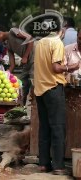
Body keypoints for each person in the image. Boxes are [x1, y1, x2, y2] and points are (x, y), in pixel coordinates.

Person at [34, 18, 79, 175]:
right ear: (63, 30)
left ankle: (43, 164)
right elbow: (56, 67)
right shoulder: (57, 43)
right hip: (53, 88)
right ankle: (59, 166)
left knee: (44, 127)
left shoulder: (39, 43)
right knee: (58, 127)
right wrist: (71, 66)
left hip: (40, 90)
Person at [0, 27, 34, 106]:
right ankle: (21, 107)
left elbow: (30, 38)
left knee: (33, 83)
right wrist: (5, 74)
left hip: (35, 57)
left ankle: (35, 107)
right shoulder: (8, 45)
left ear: (0, 33)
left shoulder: (13, 31)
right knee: (21, 84)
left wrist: (25, 56)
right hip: (27, 62)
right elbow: (12, 64)